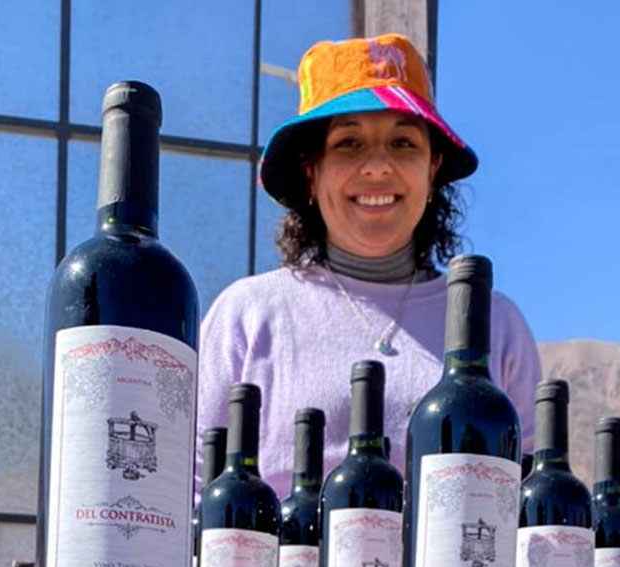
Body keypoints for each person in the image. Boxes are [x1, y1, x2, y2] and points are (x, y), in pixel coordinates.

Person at [197, 33, 541, 498]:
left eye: (403, 142)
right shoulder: (247, 314)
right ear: (310, 171)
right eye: (349, 143)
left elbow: (529, 498)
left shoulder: (496, 325)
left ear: (432, 169)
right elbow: (193, 487)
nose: (378, 167)